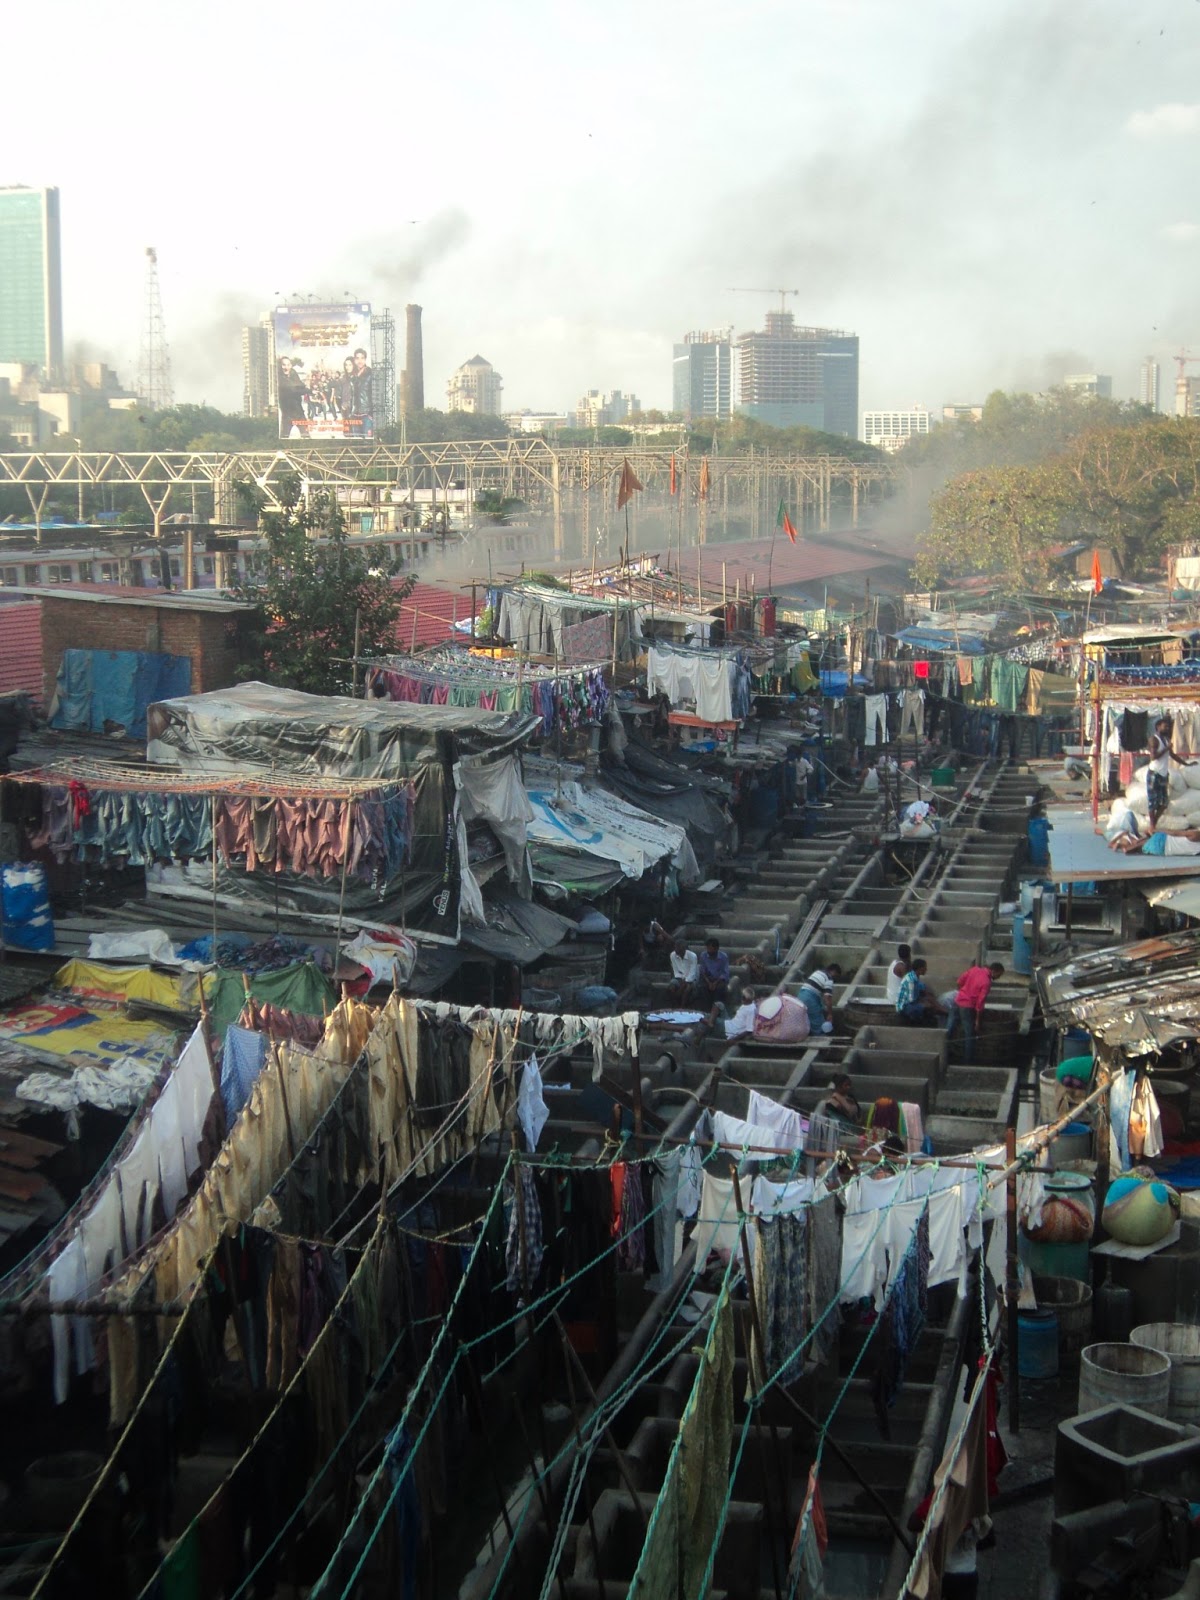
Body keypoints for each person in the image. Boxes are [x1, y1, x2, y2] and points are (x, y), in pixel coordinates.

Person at [944, 962, 1004, 1063]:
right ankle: (968, 1060)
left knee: (948, 1029)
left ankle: (943, 1052)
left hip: (958, 1001)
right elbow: (980, 1004)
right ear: (994, 971)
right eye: (999, 975)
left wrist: (963, 992)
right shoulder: (986, 982)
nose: (998, 977)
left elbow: (960, 981)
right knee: (969, 1034)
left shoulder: (974, 970)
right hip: (967, 1007)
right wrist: (977, 1020)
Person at [1146, 716, 1193, 828]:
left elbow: (1172, 755)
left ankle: (1154, 823)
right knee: (1153, 802)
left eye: (1168, 726)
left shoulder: (1166, 740)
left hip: (1163, 774)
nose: (1167, 728)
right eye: (1165, 726)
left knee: (1164, 803)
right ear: (1158, 727)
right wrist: (1166, 748)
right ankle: (1152, 826)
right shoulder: (1154, 739)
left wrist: (1186, 764)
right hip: (1154, 773)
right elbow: (1153, 757)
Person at [896, 958, 945, 1025]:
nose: (926, 970)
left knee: (929, 1000)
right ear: (920, 969)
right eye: (925, 968)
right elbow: (911, 999)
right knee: (928, 1007)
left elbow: (923, 991)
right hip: (905, 1007)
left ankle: (942, 1011)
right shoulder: (911, 980)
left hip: (910, 1004)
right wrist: (923, 1003)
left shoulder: (915, 978)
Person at [796, 964, 841, 1035]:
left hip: (801, 995)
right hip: (810, 998)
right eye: (836, 975)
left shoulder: (818, 972)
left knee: (808, 1020)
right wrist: (830, 1014)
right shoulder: (829, 978)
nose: (835, 977)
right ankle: (821, 1041)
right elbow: (827, 998)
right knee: (818, 1024)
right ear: (834, 971)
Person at [1111, 825, 1200, 856]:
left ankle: (1124, 846)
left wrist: (1158, 830)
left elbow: (1174, 833)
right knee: (1142, 843)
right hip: (1162, 851)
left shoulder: (1196, 834)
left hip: (1163, 840)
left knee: (1143, 841)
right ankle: (1129, 846)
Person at [277, 356, 308, 437]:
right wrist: (309, 391)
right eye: (284, 365)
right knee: (284, 437)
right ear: (280, 366)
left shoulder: (293, 373)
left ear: (291, 365)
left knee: (306, 435)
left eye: (288, 365)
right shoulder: (279, 378)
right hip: (287, 414)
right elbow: (293, 390)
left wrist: (307, 389)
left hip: (299, 412)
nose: (286, 367)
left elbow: (301, 385)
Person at [698, 937, 731, 1010]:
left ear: (716, 948)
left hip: (719, 979)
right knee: (702, 988)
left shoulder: (723, 957)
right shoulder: (703, 955)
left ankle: (717, 1010)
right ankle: (706, 1010)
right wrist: (709, 982)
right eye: (707, 948)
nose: (708, 950)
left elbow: (725, 973)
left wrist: (715, 983)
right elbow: (702, 971)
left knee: (720, 989)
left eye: (710, 948)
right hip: (708, 978)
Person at [667, 938, 699, 1002]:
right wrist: (681, 980)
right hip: (679, 977)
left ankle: (682, 1007)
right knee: (672, 986)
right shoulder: (672, 955)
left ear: (684, 948)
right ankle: (673, 1004)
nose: (676, 949)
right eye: (675, 947)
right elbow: (675, 971)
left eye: (679, 947)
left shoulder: (693, 956)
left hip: (692, 978)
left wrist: (685, 983)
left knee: (687, 989)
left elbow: (692, 973)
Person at [1027, 803, 1052, 869]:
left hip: (1038, 838)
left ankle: (1040, 862)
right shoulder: (1039, 823)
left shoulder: (1034, 823)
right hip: (1040, 840)